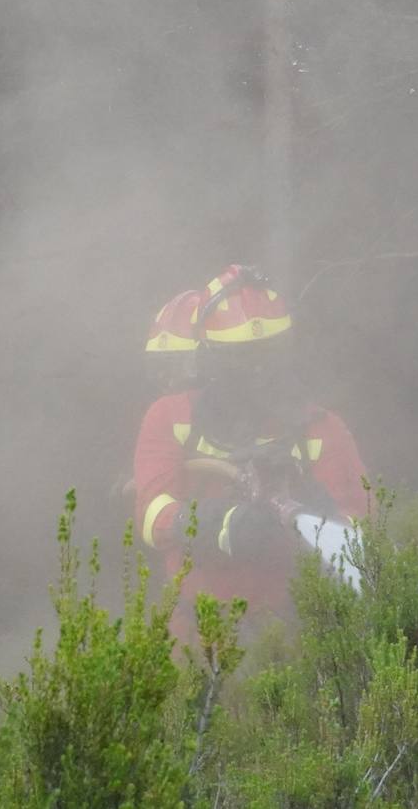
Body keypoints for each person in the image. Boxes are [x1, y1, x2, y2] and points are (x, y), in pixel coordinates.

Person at [132, 265, 369, 641]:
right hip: (199, 636)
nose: (254, 371)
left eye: (264, 357)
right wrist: (222, 524)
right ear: (209, 357)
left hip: (301, 634)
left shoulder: (320, 429)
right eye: (237, 359)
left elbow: (363, 532)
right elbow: (150, 514)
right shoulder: (172, 419)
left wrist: (318, 513)